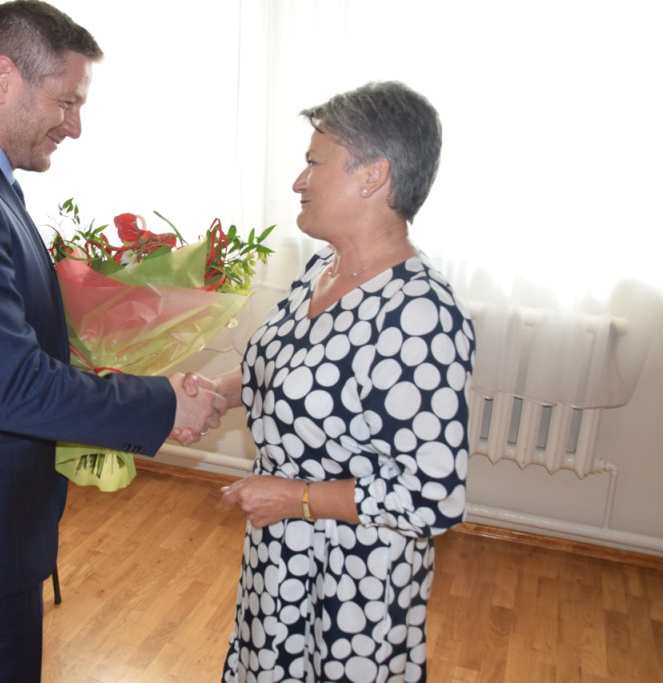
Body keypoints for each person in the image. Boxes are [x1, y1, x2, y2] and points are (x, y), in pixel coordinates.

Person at [0, 2, 225, 681]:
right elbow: (12, 386)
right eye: (66, 101)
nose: (75, 125)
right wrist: (161, 402)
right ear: (3, 78)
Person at [210, 82, 475, 682]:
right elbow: (287, 371)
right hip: (282, 557)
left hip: (355, 581)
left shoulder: (419, 314)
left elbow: (433, 497)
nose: (298, 181)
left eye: (314, 162)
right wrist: (213, 393)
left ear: (373, 176)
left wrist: (295, 498)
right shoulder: (321, 271)